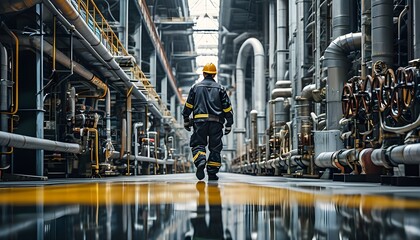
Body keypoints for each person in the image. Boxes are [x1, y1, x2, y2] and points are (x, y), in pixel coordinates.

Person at [182, 63, 234, 181]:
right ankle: (212, 173)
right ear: (214, 74)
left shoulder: (195, 88)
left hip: (200, 122)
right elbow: (227, 108)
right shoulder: (220, 88)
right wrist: (229, 123)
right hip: (216, 122)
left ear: (204, 73)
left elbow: (188, 105)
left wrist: (186, 119)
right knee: (215, 148)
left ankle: (201, 161)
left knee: (198, 143)